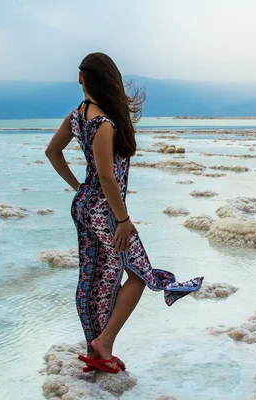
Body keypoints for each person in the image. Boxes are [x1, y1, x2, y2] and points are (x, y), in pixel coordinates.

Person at [45, 52, 203, 373]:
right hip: (106, 213)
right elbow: (106, 177)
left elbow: (53, 152)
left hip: (84, 208)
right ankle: (104, 343)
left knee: (97, 278)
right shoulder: (103, 124)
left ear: (81, 78)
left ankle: (96, 349)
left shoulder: (76, 117)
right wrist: (123, 220)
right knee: (140, 275)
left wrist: (78, 187)